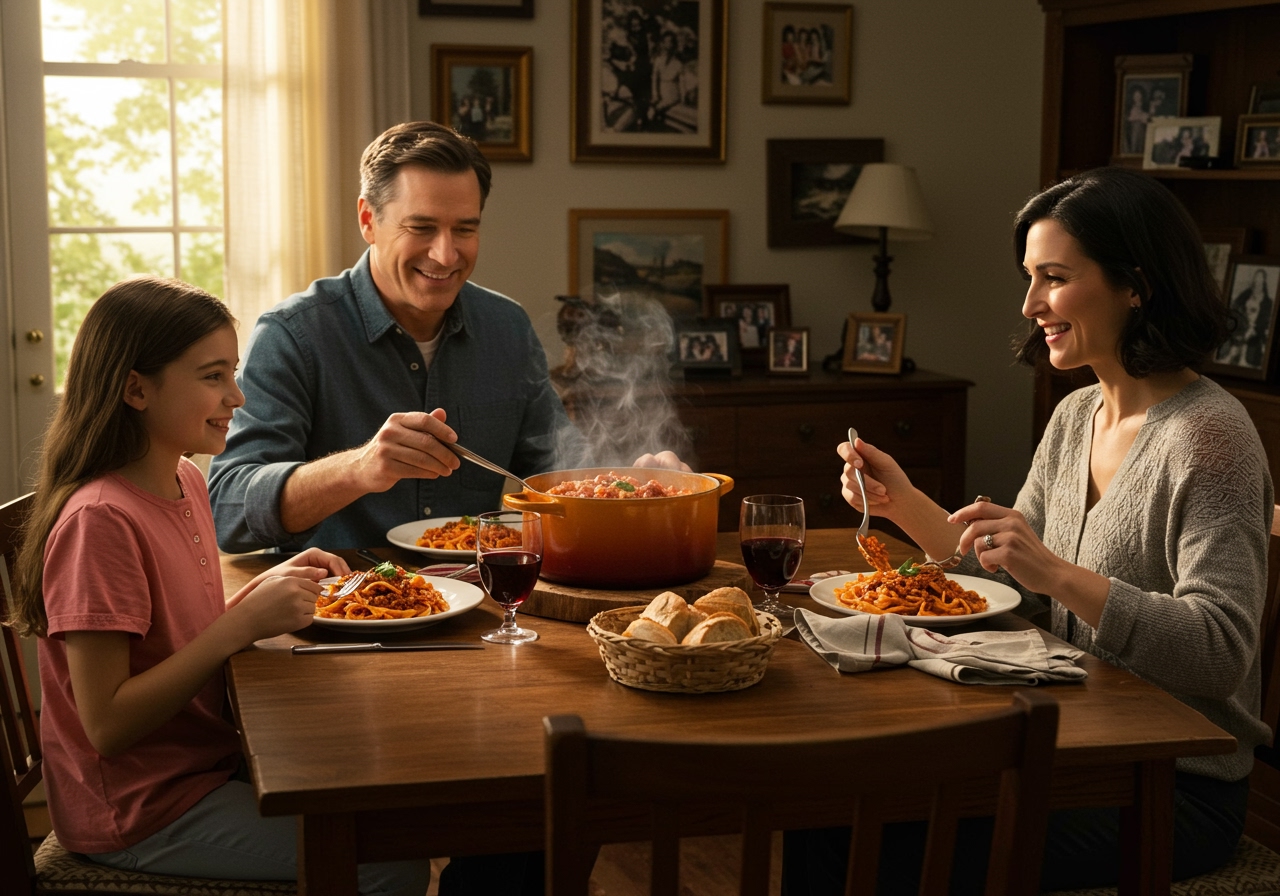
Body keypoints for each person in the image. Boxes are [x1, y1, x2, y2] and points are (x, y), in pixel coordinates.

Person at [784, 167, 1272, 893]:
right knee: (826, 813)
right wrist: (903, 502)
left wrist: (1058, 574)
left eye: (1052, 277)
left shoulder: (1210, 437)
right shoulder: (1077, 417)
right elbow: (1009, 583)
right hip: (1080, 743)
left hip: (1175, 786)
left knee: (866, 842)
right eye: (1029, 277)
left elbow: (1221, 651)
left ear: (1135, 284)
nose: (1030, 302)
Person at [5, 277, 430, 895]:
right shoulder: (100, 520)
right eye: (213, 376)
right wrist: (238, 625)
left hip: (201, 768)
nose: (237, 396)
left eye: (233, 372)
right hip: (138, 812)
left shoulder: (185, 480)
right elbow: (107, 724)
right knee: (390, 861)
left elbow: (168, 634)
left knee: (383, 793)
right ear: (136, 389)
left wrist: (257, 598)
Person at [208, 121, 684, 555]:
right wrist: (359, 467)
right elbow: (227, 508)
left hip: (485, 604)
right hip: (336, 610)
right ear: (368, 221)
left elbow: (556, 464)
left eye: (465, 229)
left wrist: (633, 481)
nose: (445, 254)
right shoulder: (294, 333)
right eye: (422, 227)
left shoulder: (507, 327)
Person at [1216, 268, 1274, 368]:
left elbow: (1265, 324)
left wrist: (1254, 330)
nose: (1257, 282)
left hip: (1255, 336)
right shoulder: (1245, 296)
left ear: (1264, 281)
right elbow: (1234, 311)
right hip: (1240, 330)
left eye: (1260, 279)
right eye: (1256, 279)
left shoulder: (1267, 302)